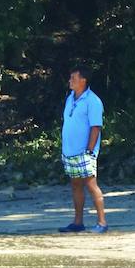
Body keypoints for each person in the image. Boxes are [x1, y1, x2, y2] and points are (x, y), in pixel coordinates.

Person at [58, 66, 107, 233]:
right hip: (69, 151)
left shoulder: (93, 101)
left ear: (83, 80)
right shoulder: (70, 98)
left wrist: (90, 150)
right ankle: (78, 222)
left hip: (84, 152)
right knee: (75, 185)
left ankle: (102, 222)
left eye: (73, 78)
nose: (70, 81)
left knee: (91, 185)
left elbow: (96, 127)